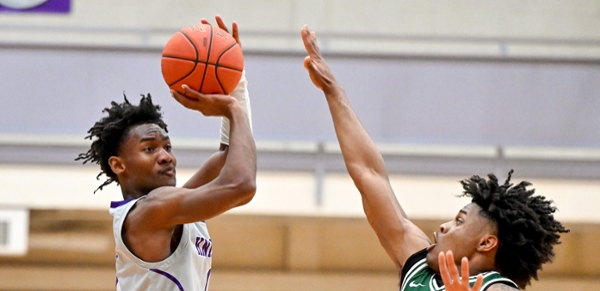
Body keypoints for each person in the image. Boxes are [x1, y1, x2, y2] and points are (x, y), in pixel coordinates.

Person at [300, 25, 569, 291]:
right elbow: (369, 173)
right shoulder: (420, 269)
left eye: (459, 221)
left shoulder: (497, 288)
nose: (443, 226)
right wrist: (334, 91)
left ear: (486, 243)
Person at [76, 16, 256, 291]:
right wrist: (232, 109)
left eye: (167, 147)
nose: (166, 156)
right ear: (118, 164)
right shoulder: (149, 212)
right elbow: (241, 185)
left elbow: (229, 155)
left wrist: (235, 82)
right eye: (150, 149)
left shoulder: (170, 206)